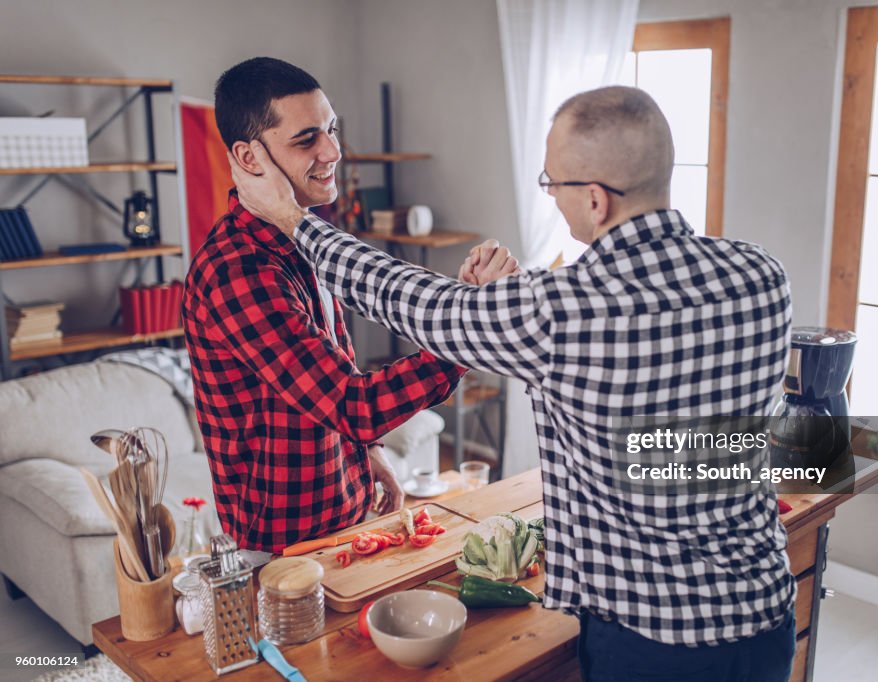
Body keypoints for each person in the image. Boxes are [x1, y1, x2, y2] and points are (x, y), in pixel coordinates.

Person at [231, 85, 797, 680]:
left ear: (597, 200)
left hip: (652, 645)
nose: (550, 197)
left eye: (551, 184)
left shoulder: (557, 314)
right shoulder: (760, 274)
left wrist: (293, 220)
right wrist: (515, 300)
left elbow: (400, 295)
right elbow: (648, 344)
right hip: (764, 618)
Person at [182, 57, 515, 554]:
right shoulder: (237, 272)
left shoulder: (305, 238)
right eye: (306, 139)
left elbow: (330, 367)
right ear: (249, 158)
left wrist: (368, 452)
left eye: (332, 129)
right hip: (283, 548)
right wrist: (466, 331)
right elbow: (352, 403)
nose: (333, 151)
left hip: (345, 509)